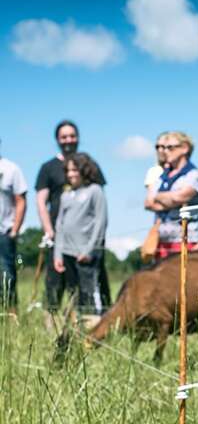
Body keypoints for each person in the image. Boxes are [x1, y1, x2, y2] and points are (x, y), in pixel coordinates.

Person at [35, 120, 110, 316]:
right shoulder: (48, 168)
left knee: (90, 287)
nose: (68, 140)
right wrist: (49, 231)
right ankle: (55, 326)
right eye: (63, 136)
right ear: (57, 140)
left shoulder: (90, 167)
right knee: (57, 286)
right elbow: (41, 201)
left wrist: (92, 245)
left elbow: (100, 214)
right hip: (60, 240)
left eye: (71, 135)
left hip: (86, 242)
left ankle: (96, 325)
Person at [54, 153, 108, 320]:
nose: (71, 174)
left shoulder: (95, 191)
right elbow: (60, 226)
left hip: (86, 253)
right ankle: (76, 326)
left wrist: (89, 250)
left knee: (89, 292)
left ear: (84, 170)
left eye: (75, 170)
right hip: (67, 253)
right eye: (68, 171)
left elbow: (101, 222)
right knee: (73, 293)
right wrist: (58, 253)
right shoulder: (66, 195)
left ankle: (93, 326)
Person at [145, 132, 198, 259]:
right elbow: (148, 202)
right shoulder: (163, 176)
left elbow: (180, 197)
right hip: (161, 241)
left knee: (183, 278)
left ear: (185, 148)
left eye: (170, 147)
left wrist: (159, 197)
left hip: (185, 239)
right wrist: (171, 200)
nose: (165, 151)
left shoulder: (193, 174)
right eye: (164, 148)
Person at [0, 146, 27, 312]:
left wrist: (14, 230)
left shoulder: (11, 169)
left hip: (4, 233)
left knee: (6, 277)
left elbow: (21, 200)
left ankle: (11, 319)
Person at [144, 131, 171, 196]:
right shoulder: (154, 171)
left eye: (163, 146)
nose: (160, 150)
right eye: (157, 147)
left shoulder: (185, 170)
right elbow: (152, 197)